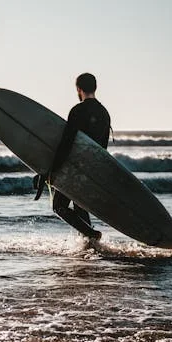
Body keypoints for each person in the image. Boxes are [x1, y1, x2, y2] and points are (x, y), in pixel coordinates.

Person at [48, 72, 111, 240]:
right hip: (94, 168)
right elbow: (103, 148)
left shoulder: (78, 110)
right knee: (80, 206)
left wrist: (53, 170)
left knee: (59, 206)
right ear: (95, 88)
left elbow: (66, 143)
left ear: (78, 88)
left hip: (76, 167)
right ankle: (89, 243)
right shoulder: (104, 113)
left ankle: (92, 234)